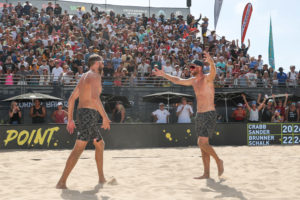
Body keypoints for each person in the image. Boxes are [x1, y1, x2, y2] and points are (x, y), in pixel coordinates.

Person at [153, 52, 224, 179]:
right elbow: (177, 80)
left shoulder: (207, 78)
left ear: (200, 68)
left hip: (209, 113)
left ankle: (218, 161)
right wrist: (164, 75)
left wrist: (211, 61)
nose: (190, 70)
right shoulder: (193, 81)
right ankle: (206, 173)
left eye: (192, 67)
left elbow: (213, 72)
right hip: (200, 114)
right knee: (203, 145)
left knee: (201, 142)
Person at [56, 54, 110, 189]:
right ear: (97, 63)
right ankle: (61, 182)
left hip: (85, 114)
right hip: (88, 114)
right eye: (102, 62)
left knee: (100, 144)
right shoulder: (95, 76)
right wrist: (105, 117)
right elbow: (95, 99)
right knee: (79, 148)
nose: (103, 64)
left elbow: (71, 99)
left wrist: (70, 120)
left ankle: (102, 178)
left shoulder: (84, 76)